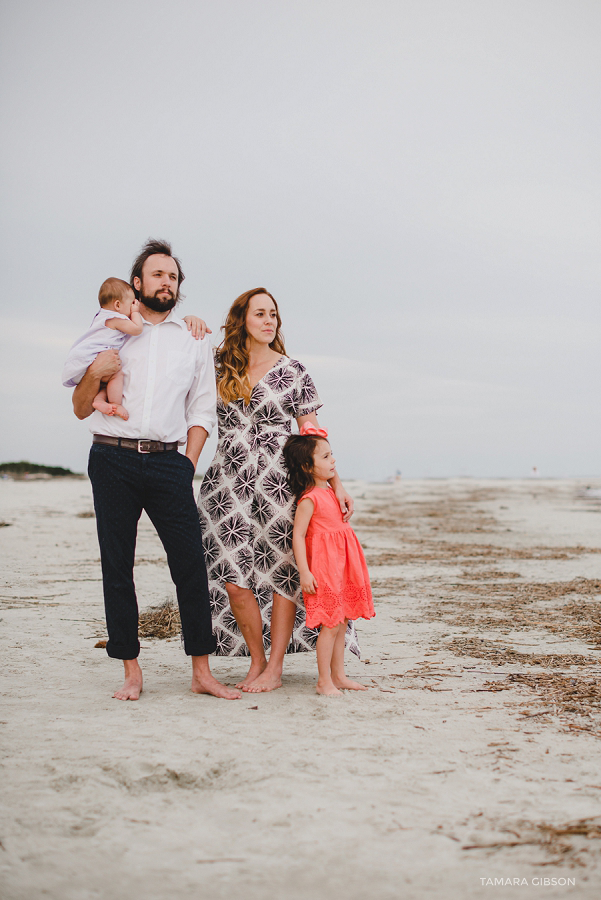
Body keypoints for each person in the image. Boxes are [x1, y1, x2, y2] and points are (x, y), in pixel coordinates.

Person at [70, 238, 240, 701]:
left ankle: (202, 672)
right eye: (158, 274)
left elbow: (202, 410)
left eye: (174, 276)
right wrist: (93, 373)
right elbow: (80, 407)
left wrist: (186, 463)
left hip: (170, 462)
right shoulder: (109, 331)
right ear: (137, 282)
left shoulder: (194, 339)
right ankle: (131, 670)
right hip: (111, 457)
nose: (167, 282)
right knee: (116, 566)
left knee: (190, 564)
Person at [197, 287, 359, 693]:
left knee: (284, 573)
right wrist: (188, 325)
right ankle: (256, 660)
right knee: (232, 576)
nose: (269, 321)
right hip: (227, 480)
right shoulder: (216, 365)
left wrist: (336, 482)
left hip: (279, 480)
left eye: (273, 315)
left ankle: (275, 667)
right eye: (260, 314)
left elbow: (311, 433)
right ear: (242, 320)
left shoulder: (293, 369)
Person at [284, 423, 375, 696]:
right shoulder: (309, 499)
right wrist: (305, 572)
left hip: (343, 565)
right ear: (307, 468)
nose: (333, 460)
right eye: (325, 457)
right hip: (324, 568)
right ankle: (324, 680)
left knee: (343, 620)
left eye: (331, 454)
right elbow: (298, 536)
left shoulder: (332, 494)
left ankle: (339, 675)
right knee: (331, 623)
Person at [62, 277, 144, 420]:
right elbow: (137, 329)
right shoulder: (115, 318)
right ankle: (114, 403)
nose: (133, 306)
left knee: (104, 384)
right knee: (116, 374)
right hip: (94, 359)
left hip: (84, 359)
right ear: (118, 305)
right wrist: (136, 312)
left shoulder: (101, 316)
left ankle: (99, 400)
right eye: (131, 303)